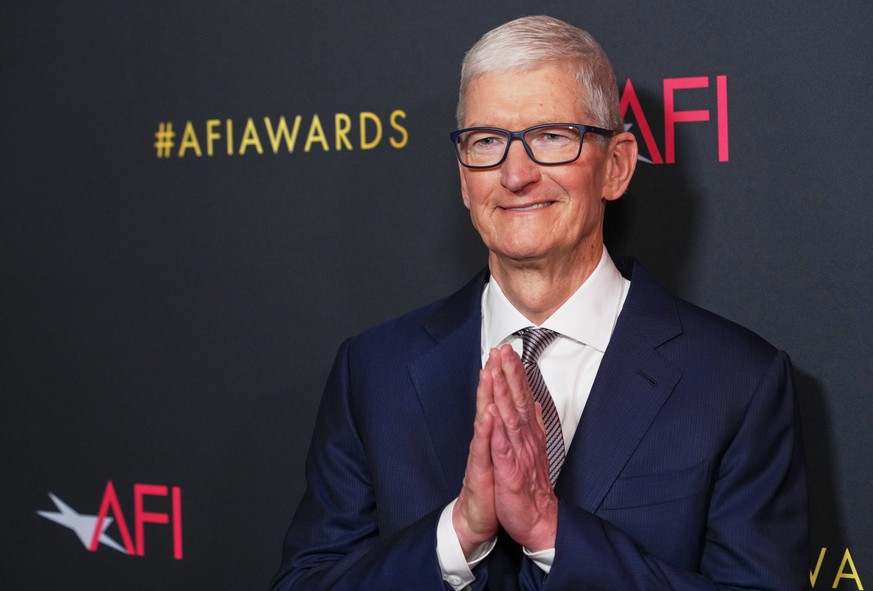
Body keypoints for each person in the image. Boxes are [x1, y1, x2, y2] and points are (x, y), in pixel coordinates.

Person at [271, 15, 808, 590]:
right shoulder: (372, 370)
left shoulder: (737, 380)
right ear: (463, 178)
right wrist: (455, 537)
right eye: (487, 141)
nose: (515, 174)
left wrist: (555, 535)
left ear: (617, 165)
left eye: (551, 135)